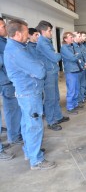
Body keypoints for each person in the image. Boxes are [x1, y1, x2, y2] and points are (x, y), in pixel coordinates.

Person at [4, 19, 56, 170]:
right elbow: (40, 70)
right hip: (29, 92)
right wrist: (38, 69)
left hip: (26, 92)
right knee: (34, 125)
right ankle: (37, 160)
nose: (29, 35)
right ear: (18, 33)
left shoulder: (18, 47)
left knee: (27, 123)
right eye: (27, 32)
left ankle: (30, 151)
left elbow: (36, 64)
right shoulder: (17, 51)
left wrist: (36, 68)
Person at [36, 20, 69, 131]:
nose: (51, 33)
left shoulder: (47, 41)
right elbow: (55, 58)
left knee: (56, 97)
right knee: (50, 99)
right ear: (43, 31)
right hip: (48, 74)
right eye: (50, 31)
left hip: (53, 71)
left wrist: (56, 55)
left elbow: (54, 56)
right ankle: (51, 121)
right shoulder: (42, 43)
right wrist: (60, 54)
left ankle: (58, 116)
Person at [0, 18, 22, 146]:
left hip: (7, 79)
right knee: (12, 109)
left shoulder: (4, 41)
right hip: (6, 81)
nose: (5, 28)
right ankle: (14, 136)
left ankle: (14, 134)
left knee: (12, 109)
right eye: (3, 26)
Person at [61, 32, 83, 115]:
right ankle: (70, 107)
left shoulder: (72, 46)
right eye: (70, 37)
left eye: (72, 37)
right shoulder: (64, 48)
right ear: (65, 39)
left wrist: (76, 55)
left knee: (76, 88)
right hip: (70, 71)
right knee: (71, 90)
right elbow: (73, 58)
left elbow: (79, 54)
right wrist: (76, 55)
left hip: (76, 69)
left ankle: (75, 104)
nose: (72, 38)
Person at [72, 32, 86, 105]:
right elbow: (76, 58)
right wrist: (83, 64)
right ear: (74, 37)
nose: (80, 38)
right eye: (79, 36)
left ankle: (82, 98)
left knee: (83, 85)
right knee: (77, 86)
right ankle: (78, 100)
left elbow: (83, 55)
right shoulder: (73, 46)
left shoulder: (79, 45)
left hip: (83, 68)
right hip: (78, 69)